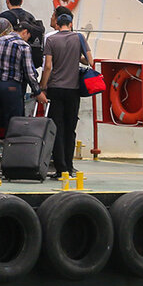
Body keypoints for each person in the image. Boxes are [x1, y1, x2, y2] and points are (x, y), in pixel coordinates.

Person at [0, 18, 47, 173]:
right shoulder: (23, 45)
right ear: (25, 32)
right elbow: (29, 73)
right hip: (12, 88)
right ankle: (11, 166)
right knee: (14, 127)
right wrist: (38, 92)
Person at [41, 12, 93, 178]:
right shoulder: (79, 38)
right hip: (73, 89)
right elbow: (90, 60)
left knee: (57, 128)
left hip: (55, 88)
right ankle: (70, 167)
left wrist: (43, 86)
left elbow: (48, 66)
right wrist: (76, 58)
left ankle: (60, 168)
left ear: (58, 24)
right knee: (71, 129)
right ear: (70, 24)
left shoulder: (51, 40)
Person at [0, 0, 45, 68]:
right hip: (27, 58)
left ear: (7, 1)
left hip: (10, 58)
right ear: (22, 1)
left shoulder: (4, 16)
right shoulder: (30, 16)